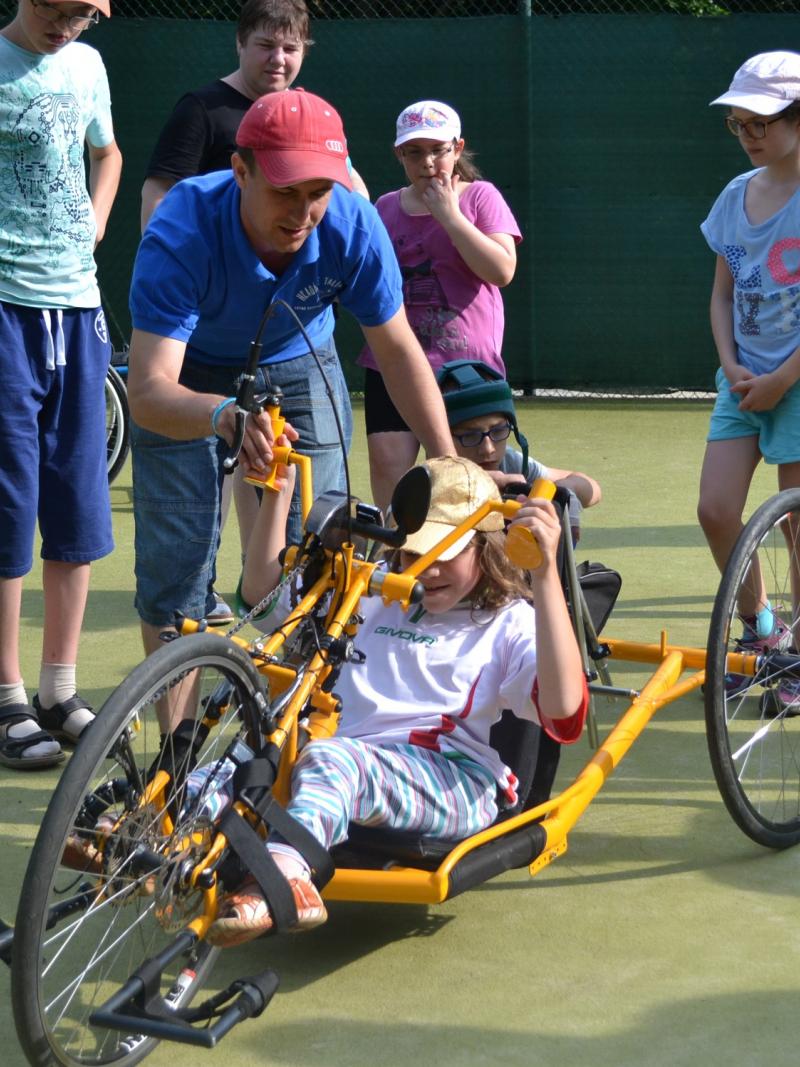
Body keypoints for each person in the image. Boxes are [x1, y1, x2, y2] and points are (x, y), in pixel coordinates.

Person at [127, 89, 455, 665]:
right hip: (190, 370)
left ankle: (295, 718)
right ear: (239, 170)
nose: (303, 213)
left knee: (321, 546)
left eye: (318, 192)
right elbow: (150, 393)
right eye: (285, 191)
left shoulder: (353, 224)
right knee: (175, 567)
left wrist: (449, 461)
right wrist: (224, 415)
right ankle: (175, 749)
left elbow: (400, 352)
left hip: (299, 355)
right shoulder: (182, 228)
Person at [204, 455, 588, 946]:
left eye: (443, 553)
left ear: (487, 545)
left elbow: (563, 712)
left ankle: (283, 878)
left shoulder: (509, 623)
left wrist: (545, 577)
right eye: (408, 554)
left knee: (332, 759)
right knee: (250, 756)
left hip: (453, 777)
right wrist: (278, 495)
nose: (423, 571)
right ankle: (149, 837)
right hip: (342, 761)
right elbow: (262, 599)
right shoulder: (376, 593)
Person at [140, 0, 367, 625]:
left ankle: (266, 617)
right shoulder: (203, 113)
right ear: (242, 44)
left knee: (297, 514)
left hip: (290, 347)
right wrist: (173, 284)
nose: (279, 58)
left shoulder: (319, 136)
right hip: (200, 341)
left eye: (291, 48)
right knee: (180, 552)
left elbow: (351, 204)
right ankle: (187, 717)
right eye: (267, 45)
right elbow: (159, 197)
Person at [0, 0, 122, 770]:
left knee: (78, 496)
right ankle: (6, 693)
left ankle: (57, 690)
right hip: (5, 306)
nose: (69, 26)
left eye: (84, 13)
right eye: (57, 8)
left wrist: (97, 221)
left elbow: (105, 153)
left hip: (80, 308)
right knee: (9, 498)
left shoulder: (87, 65)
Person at [359, 100, 522, 512]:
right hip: (393, 365)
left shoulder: (481, 197)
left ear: (457, 147)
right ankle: (399, 558)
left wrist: (449, 216)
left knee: (469, 476)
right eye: (414, 152)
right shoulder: (385, 208)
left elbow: (502, 270)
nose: (428, 161)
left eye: (438, 150)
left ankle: (476, 565)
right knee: (391, 472)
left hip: (465, 369)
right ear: (399, 155)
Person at [698, 51, 800, 704]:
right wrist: (733, 364)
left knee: (797, 526)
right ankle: (763, 631)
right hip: (742, 380)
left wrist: (783, 380)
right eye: (739, 124)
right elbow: (721, 295)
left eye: (761, 121)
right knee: (715, 509)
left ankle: (797, 660)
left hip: (796, 383)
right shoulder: (735, 197)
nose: (748, 135)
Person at [437, 360, 601, 544]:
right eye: (469, 435)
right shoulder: (431, 480)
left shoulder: (510, 461)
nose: (488, 448)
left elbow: (592, 489)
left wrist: (560, 491)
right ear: (443, 438)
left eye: (498, 430)